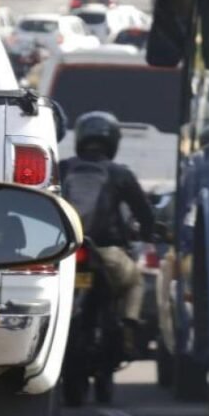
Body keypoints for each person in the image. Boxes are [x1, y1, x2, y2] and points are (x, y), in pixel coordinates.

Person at [60, 111, 155, 356]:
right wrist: (149, 233)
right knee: (135, 281)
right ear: (113, 140)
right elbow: (144, 212)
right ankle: (129, 325)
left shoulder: (61, 169)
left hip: (62, 254)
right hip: (107, 254)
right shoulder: (120, 174)